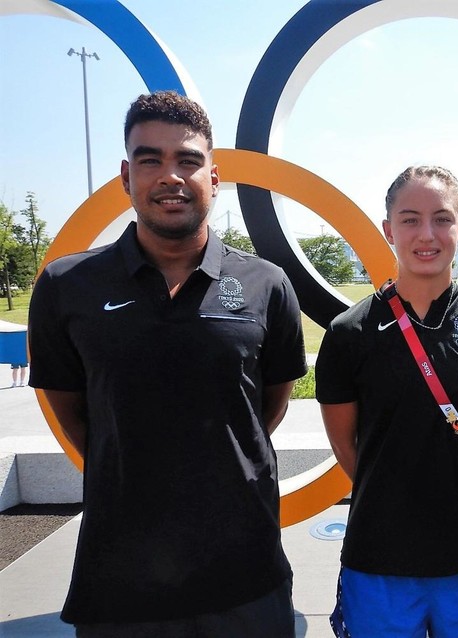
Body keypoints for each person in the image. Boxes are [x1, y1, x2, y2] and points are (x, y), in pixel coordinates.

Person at [28, 91, 307, 637]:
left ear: (214, 176)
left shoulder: (267, 285)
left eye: (187, 160)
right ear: (126, 176)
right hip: (122, 575)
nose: (170, 176)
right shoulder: (67, 286)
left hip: (245, 571)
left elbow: (267, 406)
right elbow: (72, 408)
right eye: (150, 159)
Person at [315, 166, 458, 637]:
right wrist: (395, 493)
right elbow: (348, 448)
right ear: (388, 229)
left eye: (442, 219)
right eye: (409, 219)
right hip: (379, 552)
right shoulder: (349, 334)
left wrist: (455, 492)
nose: (426, 234)